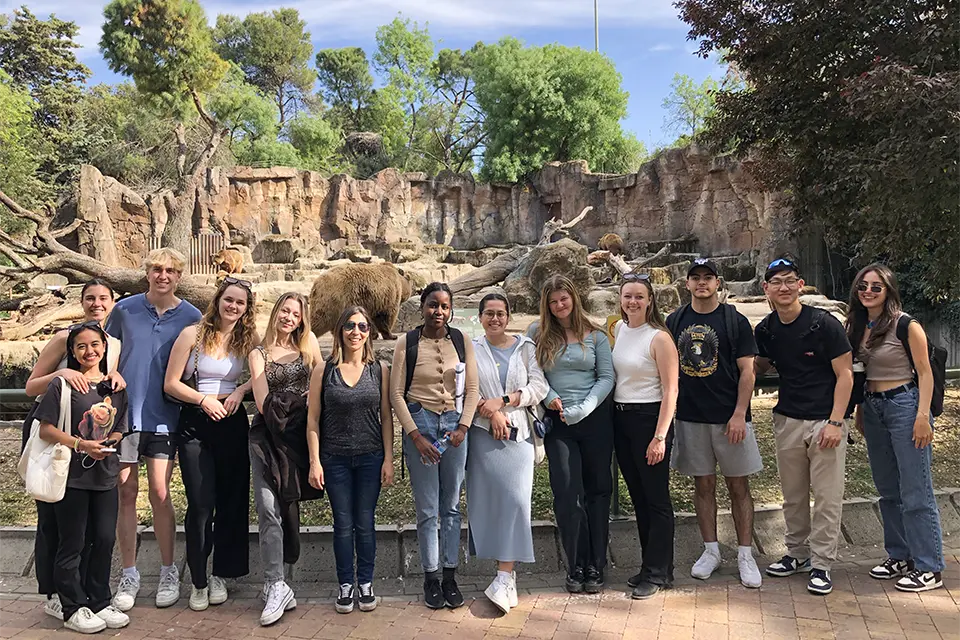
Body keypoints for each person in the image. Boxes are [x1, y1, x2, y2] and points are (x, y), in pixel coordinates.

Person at [104, 248, 203, 611]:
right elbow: (108, 352)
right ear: (147, 273)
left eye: (171, 271)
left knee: (160, 492)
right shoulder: (125, 310)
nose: (164, 276)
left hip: (164, 417)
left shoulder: (191, 316)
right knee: (125, 491)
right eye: (158, 270)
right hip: (124, 417)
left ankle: (167, 570)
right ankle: (128, 572)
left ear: (180, 276)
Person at [24, 280, 125, 621]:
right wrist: (63, 372)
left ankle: (90, 596)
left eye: (103, 298)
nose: (97, 303)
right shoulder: (62, 339)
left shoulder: (112, 343)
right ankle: (56, 594)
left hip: (92, 432)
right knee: (55, 520)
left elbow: (107, 385)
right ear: (81, 302)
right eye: (90, 299)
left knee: (94, 529)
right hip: (54, 427)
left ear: (113, 302)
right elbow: (29, 387)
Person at [755, 257, 853, 596]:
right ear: (765, 288)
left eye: (789, 280)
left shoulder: (824, 324)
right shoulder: (766, 329)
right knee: (793, 495)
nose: (783, 287)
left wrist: (837, 421)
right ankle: (796, 553)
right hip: (788, 419)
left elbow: (846, 375)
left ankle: (822, 563)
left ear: (800, 285)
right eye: (776, 282)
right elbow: (759, 366)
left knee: (827, 496)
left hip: (826, 421)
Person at [846, 264, 945, 592]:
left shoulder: (906, 324)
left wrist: (922, 416)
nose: (869, 291)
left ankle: (929, 565)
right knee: (888, 488)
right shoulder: (858, 324)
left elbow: (926, 372)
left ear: (888, 290)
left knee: (916, 489)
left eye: (877, 286)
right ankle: (900, 555)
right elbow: (861, 371)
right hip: (873, 407)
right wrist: (861, 408)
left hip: (905, 404)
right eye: (864, 285)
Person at [666, 259, 763, 589]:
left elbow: (748, 372)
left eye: (708, 278)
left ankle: (746, 554)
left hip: (729, 419)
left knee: (739, 486)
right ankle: (711, 551)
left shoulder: (734, 321)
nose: (702, 283)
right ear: (687, 283)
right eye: (696, 278)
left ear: (718, 283)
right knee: (703, 486)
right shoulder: (675, 320)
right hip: (691, 417)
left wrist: (739, 413)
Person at [164, 277, 258, 611]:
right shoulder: (193, 334)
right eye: (228, 300)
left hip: (231, 421)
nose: (233, 307)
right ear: (218, 300)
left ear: (247, 308)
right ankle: (199, 581)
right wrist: (203, 399)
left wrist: (239, 392)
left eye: (240, 303)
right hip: (196, 422)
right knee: (201, 503)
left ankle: (222, 573)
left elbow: (261, 374)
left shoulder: (248, 338)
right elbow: (171, 383)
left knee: (232, 500)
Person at [390, 282, 479, 609]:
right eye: (432, 305)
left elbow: (472, 388)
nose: (437, 312)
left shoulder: (462, 340)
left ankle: (450, 576)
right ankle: (430, 577)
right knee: (428, 508)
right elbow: (396, 394)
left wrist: (464, 426)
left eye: (443, 306)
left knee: (452, 505)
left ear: (451, 309)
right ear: (422, 307)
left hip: (455, 427)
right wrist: (415, 435)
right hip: (422, 425)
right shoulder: (407, 342)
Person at [527, 275, 614, 594]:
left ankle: (596, 564)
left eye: (564, 299)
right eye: (553, 302)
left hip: (594, 420)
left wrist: (586, 407)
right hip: (558, 422)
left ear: (574, 299)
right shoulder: (537, 333)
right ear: (546, 306)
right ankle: (575, 563)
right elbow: (531, 371)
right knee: (566, 492)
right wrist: (549, 396)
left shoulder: (595, 335)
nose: (559, 306)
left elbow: (606, 377)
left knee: (597, 491)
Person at [307, 306, 394, 615]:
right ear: (339, 330)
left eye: (362, 326)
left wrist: (389, 459)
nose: (356, 331)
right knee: (343, 524)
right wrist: (315, 461)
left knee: (365, 523)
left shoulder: (379, 369)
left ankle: (365, 582)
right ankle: (346, 583)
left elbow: (385, 417)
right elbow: (313, 419)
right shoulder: (324, 370)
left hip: (371, 457)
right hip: (336, 459)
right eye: (349, 326)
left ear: (369, 332)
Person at [468, 293, 548, 613]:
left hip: (519, 436)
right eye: (489, 314)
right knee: (488, 503)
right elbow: (463, 391)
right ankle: (504, 576)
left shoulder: (526, 348)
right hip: (482, 435)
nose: (495, 319)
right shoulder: (472, 349)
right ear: (480, 317)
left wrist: (503, 402)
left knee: (516, 503)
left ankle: (505, 575)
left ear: (509, 315)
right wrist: (491, 414)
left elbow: (538, 388)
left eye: (500, 313)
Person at [249, 292, 323, 625]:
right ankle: (275, 583)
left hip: (300, 436)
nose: (289, 317)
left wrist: (303, 403)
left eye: (295, 313)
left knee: (287, 505)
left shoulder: (309, 350)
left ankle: (280, 578)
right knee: (267, 506)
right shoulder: (258, 353)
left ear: (302, 319)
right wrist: (299, 399)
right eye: (284, 310)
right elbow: (265, 404)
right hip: (267, 437)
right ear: (275, 312)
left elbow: (320, 392)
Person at [611, 273, 679, 599]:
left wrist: (660, 436)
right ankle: (652, 565)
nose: (633, 302)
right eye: (628, 296)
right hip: (622, 421)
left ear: (650, 300)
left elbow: (671, 390)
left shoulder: (659, 338)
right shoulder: (619, 329)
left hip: (650, 420)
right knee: (638, 498)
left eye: (639, 296)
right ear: (620, 299)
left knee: (656, 499)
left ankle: (659, 571)